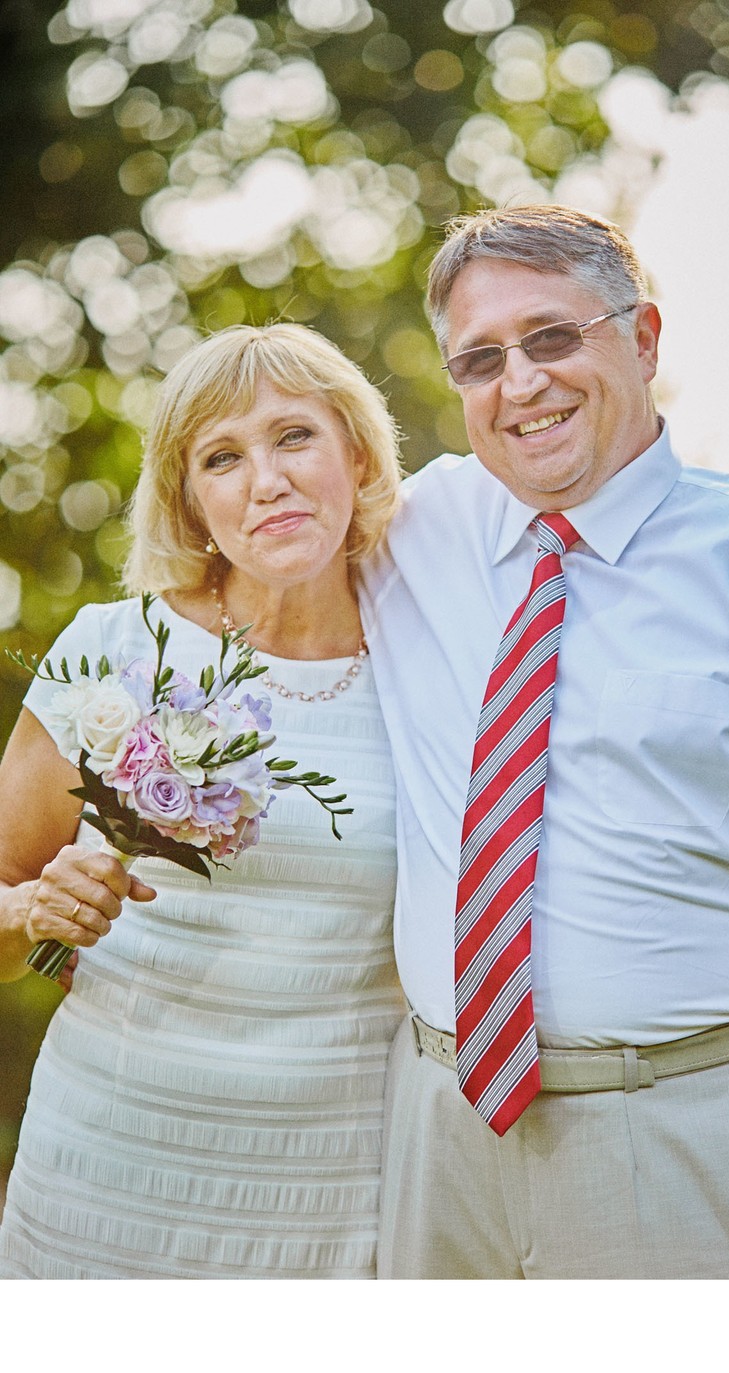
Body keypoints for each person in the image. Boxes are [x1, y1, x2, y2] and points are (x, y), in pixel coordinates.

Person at [359, 204, 729, 1279]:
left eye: (551, 337)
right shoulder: (406, 532)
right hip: (438, 1131)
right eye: (480, 359)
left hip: (686, 1136)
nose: (520, 383)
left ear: (644, 337)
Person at [0, 323, 405, 1278]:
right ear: (191, 497)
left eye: (294, 436)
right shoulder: (114, 649)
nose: (266, 480)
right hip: (106, 1173)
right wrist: (31, 909)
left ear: (355, 450)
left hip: (335, 1197)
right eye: (223, 457)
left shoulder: (435, 662)